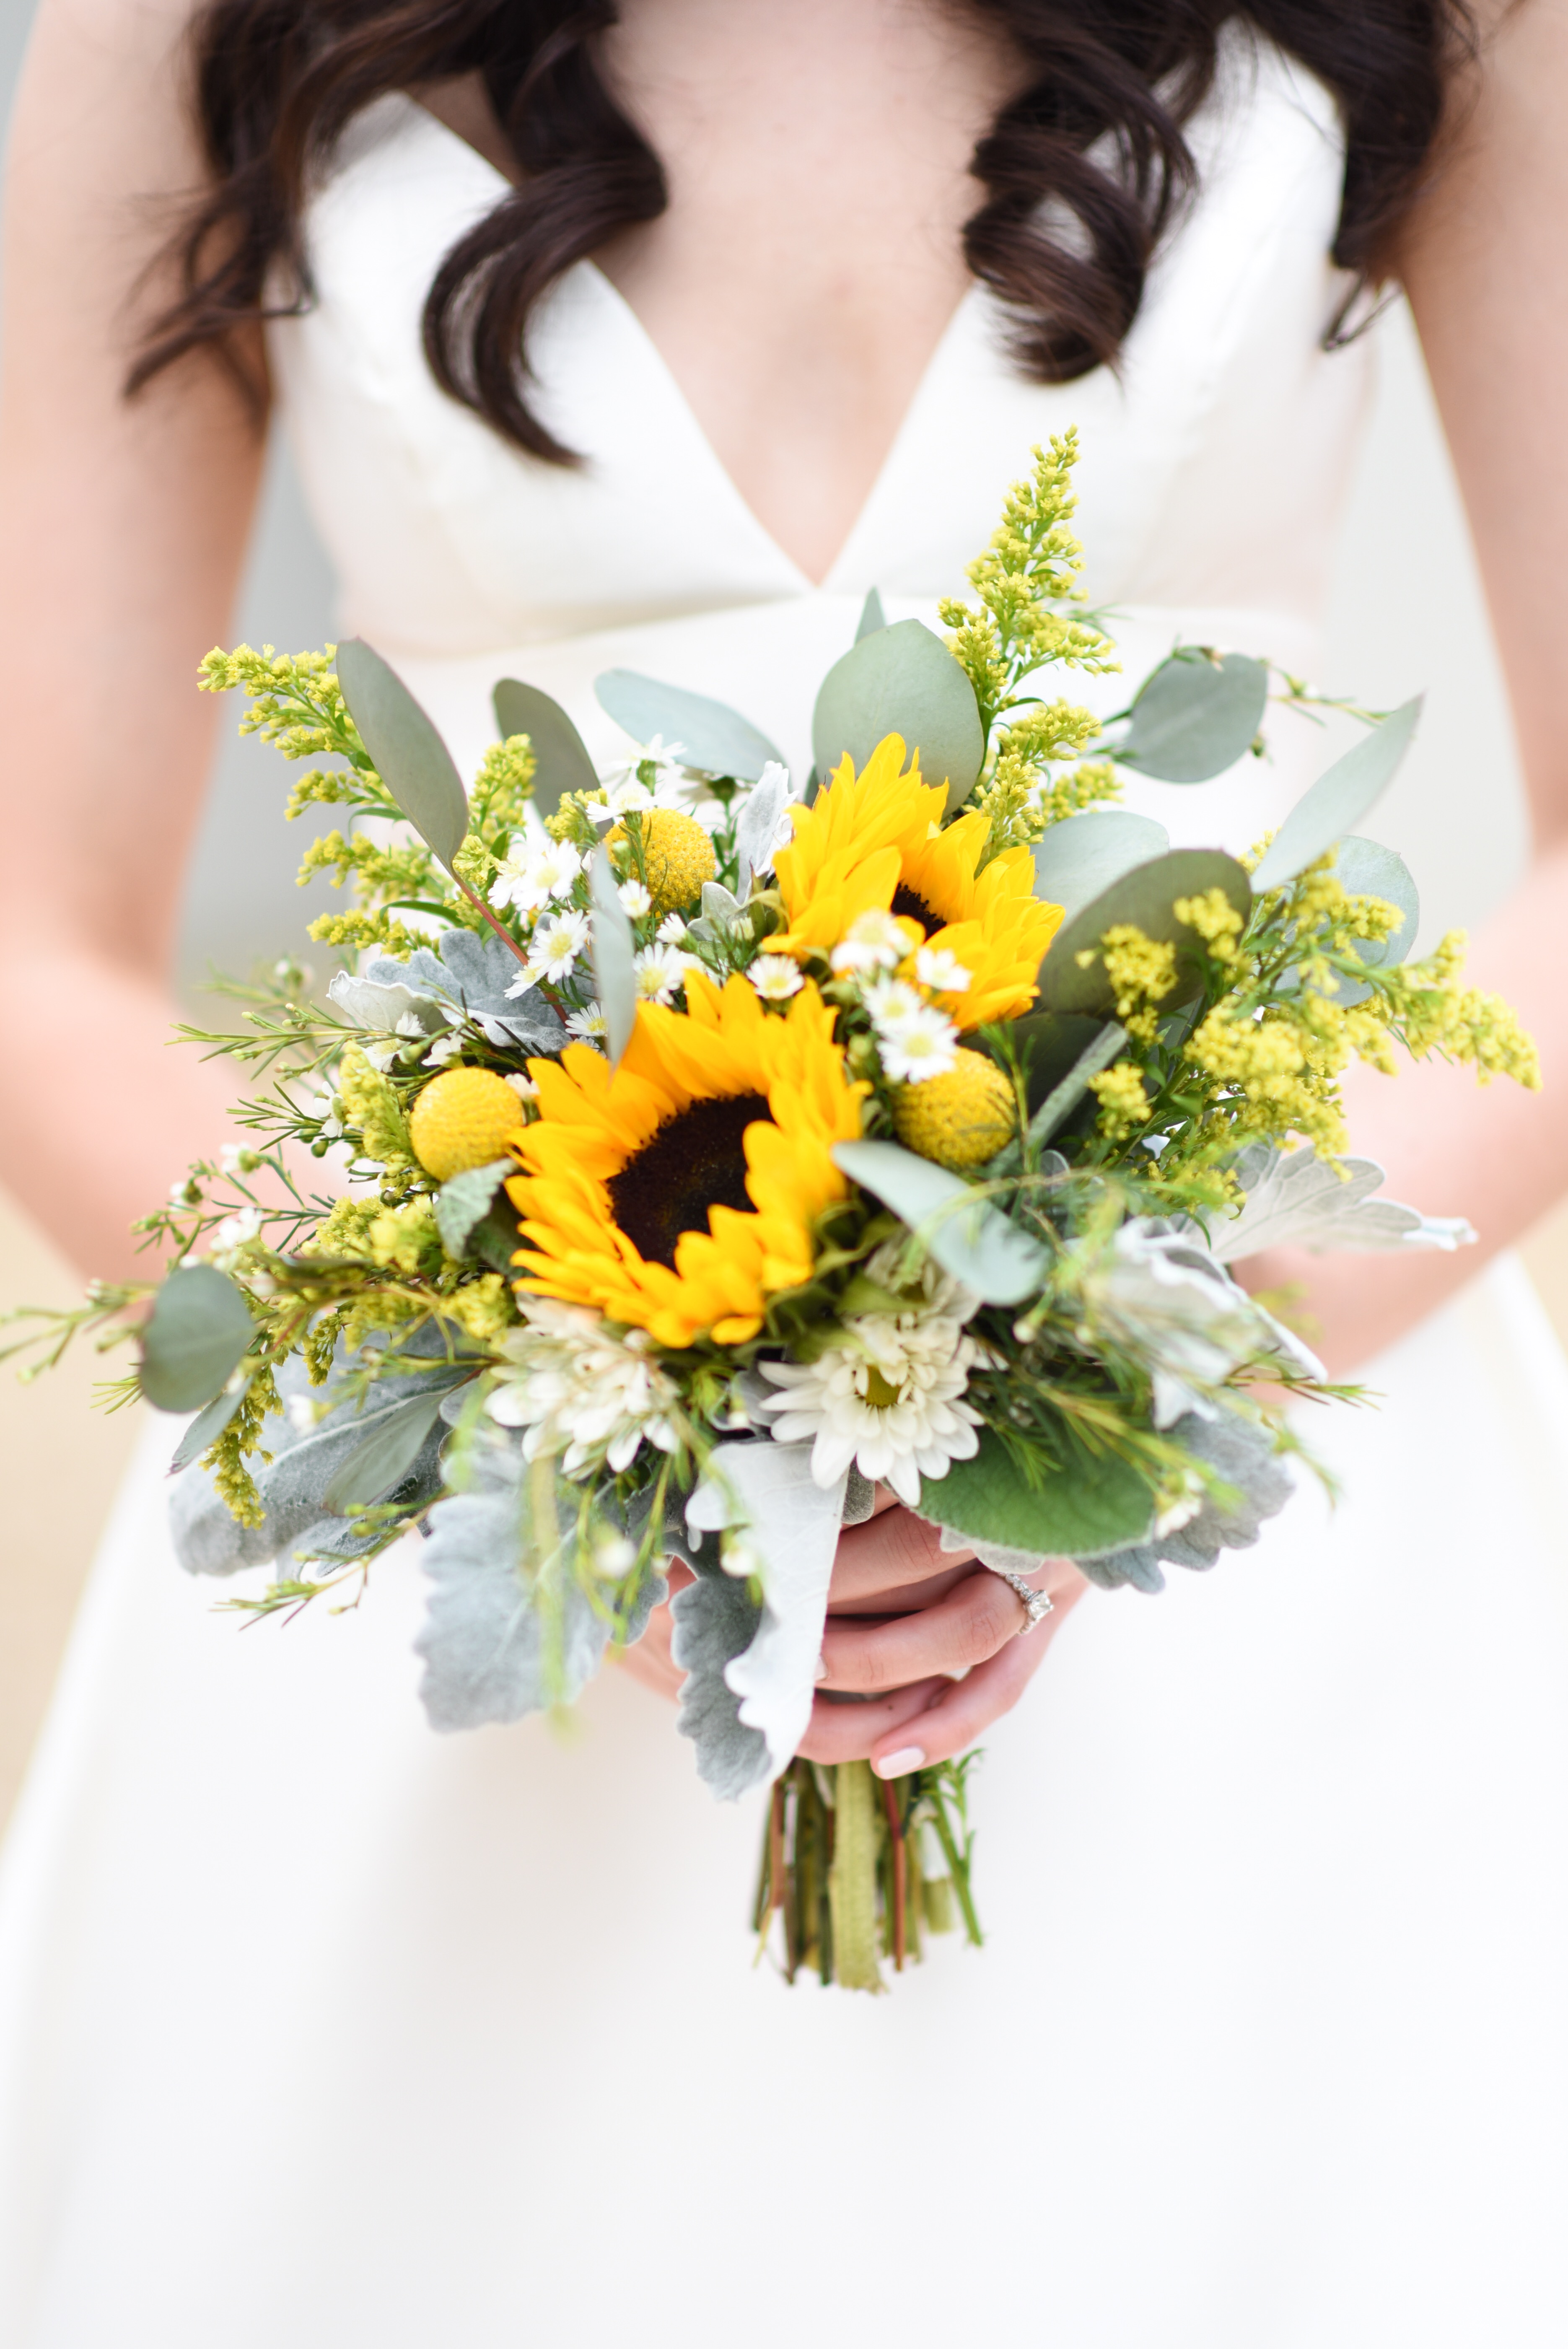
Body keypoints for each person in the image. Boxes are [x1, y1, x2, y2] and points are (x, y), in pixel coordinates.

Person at [2, 1, 1567, 2339]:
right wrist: (535, 1429)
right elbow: (33, 931)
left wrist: (1121, 1368)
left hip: (1270, 1567)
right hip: (482, 1607)